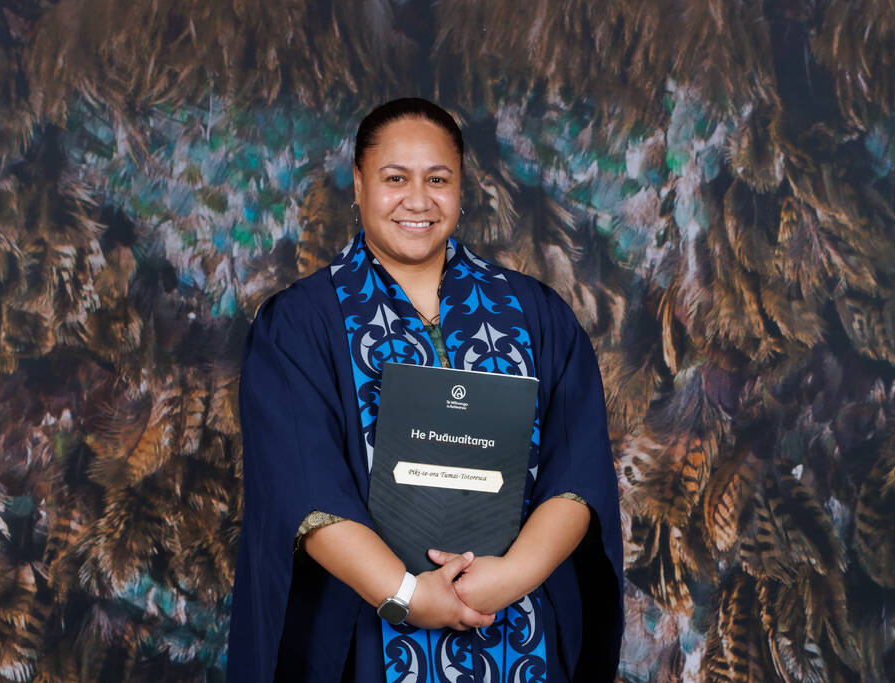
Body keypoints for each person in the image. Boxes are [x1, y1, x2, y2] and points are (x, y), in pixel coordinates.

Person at [226, 98, 623, 682]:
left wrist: (509, 579)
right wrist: (410, 596)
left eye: (438, 179)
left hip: (518, 633)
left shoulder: (534, 313)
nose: (418, 200)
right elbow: (302, 489)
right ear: (359, 186)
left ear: (462, 191)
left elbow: (579, 469)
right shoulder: (301, 326)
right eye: (395, 178)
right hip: (366, 642)